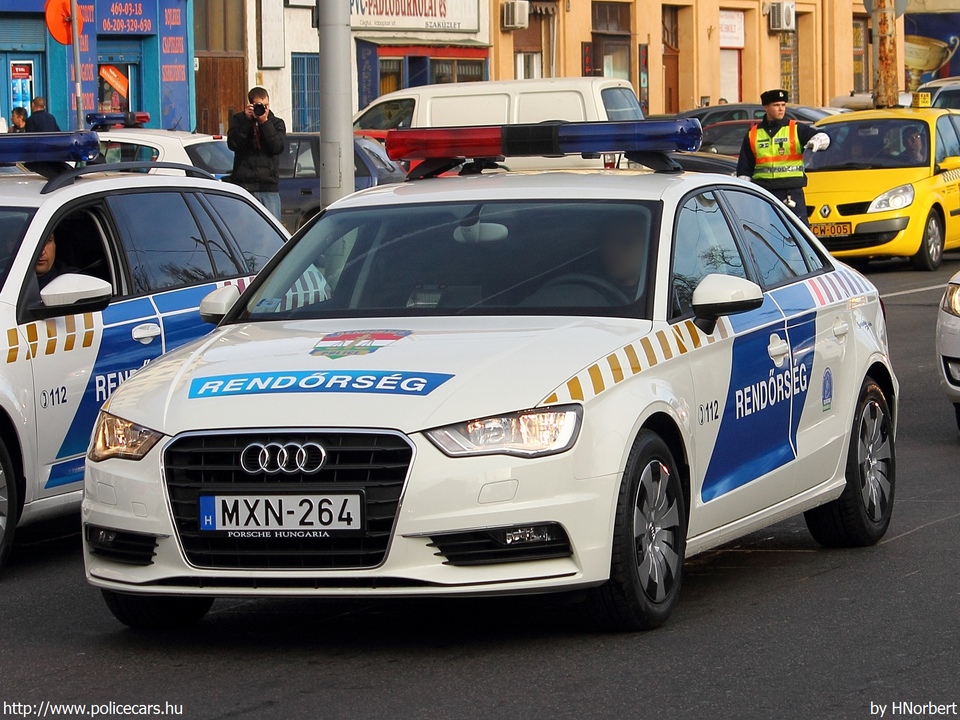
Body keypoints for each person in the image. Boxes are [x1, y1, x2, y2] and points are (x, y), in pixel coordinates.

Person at [736, 89, 830, 226]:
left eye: (783, 105)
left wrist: (818, 141)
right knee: (766, 231)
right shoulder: (753, 134)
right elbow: (744, 169)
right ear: (766, 107)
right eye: (776, 105)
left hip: (791, 193)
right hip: (764, 193)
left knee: (798, 231)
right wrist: (744, 193)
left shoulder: (795, 129)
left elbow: (823, 137)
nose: (781, 109)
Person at [227, 87, 285, 220]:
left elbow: (277, 147)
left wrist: (265, 123)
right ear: (250, 105)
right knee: (244, 228)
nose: (264, 110)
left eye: (266, 106)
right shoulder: (239, 120)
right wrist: (246, 122)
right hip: (244, 187)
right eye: (260, 106)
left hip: (268, 187)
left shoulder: (276, 123)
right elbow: (233, 144)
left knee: (271, 228)